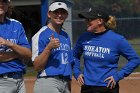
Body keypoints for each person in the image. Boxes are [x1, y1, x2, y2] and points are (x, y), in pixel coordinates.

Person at [72, 6, 140, 93]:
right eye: (86, 19)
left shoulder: (117, 39)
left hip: (108, 87)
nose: (86, 21)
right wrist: (77, 72)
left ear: (100, 21)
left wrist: (118, 76)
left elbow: (135, 59)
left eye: (90, 19)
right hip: (87, 87)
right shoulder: (84, 37)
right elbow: (74, 55)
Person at [32, 1, 72, 93]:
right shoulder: (41, 35)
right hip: (48, 82)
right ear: (49, 14)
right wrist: (48, 48)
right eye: (56, 12)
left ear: (66, 15)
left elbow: (68, 64)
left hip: (65, 82)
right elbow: (37, 66)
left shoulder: (65, 36)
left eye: (62, 12)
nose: (59, 15)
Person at [0, 0, 31, 93]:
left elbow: (28, 54)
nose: (1, 4)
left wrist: (10, 44)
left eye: (4, 2)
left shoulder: (16, 25)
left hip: (20, 80)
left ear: (8, 5)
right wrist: (18, 53)